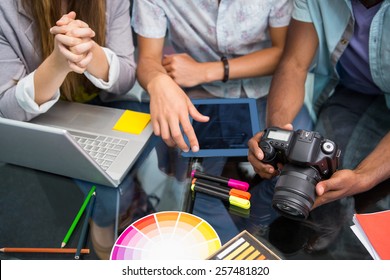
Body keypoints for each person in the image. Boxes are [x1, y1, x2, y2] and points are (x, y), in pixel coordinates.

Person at [248, 0, 390, 209]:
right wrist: (278, 138)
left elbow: (362, 179)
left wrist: (363, 177)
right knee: (325, 179)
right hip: (348, 91)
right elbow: (294, 64)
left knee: (367, 202)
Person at [132, 0, 312, 154]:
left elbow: (285, 53)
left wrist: (204, 72)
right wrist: (158, 80)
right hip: (199, 95)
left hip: (268, 91)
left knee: (294, 160)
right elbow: (148, 59)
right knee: (184, 164)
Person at [0, 0, 136, 121]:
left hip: (102, 107)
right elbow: (7, 110)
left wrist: (89, 50)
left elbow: (126, 80)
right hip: (40, 118)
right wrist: (56, 65)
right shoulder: (5, 9)